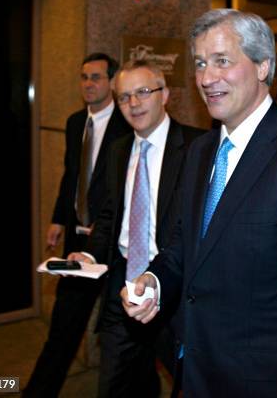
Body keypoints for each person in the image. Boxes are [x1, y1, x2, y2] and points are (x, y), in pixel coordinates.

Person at [123, 9, 277, 397]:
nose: (206, 78)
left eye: (222, 61)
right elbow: (184, 246)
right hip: (193, 372)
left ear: (262, 67)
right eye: (201, 63)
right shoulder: (200, 152)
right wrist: (154, 282)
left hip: (270, 384)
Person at [68, 59, 203, 397]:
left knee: (188, 383)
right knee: (115, 384)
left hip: (174, 290)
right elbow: (112, 215)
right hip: (122, 287)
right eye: (124, 96)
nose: (133, 103)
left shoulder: (198, 147)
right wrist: (89, 254)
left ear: (165, 94)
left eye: (143, 92)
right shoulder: (117, 150)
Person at [24, 53, 131, 398]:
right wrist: (58, 217)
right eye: (84, 76)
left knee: (125, 335)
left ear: (112, 82)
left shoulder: (128, 125)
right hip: (76, 240)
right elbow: (72, 175)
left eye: (96, 77)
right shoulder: (74, 122)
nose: (88, 84)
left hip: (113, 244)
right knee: (63, 327)